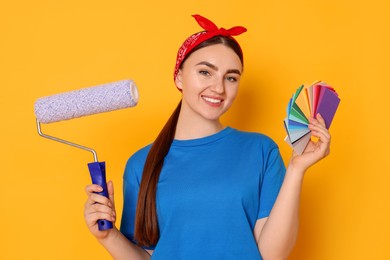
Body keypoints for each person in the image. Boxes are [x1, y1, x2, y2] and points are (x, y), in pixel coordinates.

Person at [84, 14, 331, 260]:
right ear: (179, 76)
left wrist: (296, 170)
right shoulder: (141, 164)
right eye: (205, 72)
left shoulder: (261, 151)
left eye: (231, 77)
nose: (219, 87)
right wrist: (108, 236)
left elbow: (272, 255)